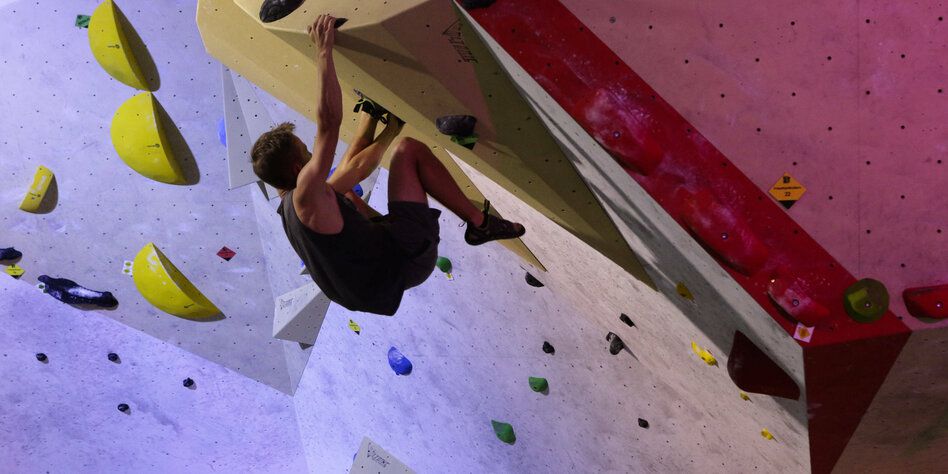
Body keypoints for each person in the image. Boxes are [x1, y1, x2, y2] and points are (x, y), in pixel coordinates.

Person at [250, 14, 526, 316]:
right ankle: (480, 224)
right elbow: (328, 124)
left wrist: (386, 129)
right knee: (409, 151)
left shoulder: (295, 209)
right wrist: (323, 51)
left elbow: (353, 169)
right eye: (305, 150)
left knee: (348, 194)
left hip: (384, 275)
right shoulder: (305, 196)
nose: (310, 151)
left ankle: (372, 115)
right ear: (294, 169)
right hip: (405, 259)